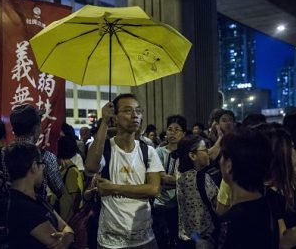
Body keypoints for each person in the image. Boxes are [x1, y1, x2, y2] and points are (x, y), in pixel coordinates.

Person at [85, 93, 164, 249]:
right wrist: (105, 122)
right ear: (115, 117)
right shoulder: (105, 148)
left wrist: (113, 188)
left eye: (138, 111)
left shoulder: (148, 151)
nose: (135, 115)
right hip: (110, 241)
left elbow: (154, 189)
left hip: (145, 238)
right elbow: (91, 167)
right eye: (128, 111)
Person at [5, 142, 75, 249]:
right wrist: (67, 237)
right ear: (34, 166)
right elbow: (57, 242)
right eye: (41, 164)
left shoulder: (37, 198)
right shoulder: (22, 207)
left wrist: (69, 236)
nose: (43, 169)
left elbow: (65, 227)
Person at [217, 127, 278, 249]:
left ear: (229, 165)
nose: (220, 161)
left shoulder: (232, 221)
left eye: (222, 156)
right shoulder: (270, 201)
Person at [9, 104, 65, 200]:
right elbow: (59, 189)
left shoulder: (0, 154)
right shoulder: (46, 157)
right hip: (35, 212)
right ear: (36, 129)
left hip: (5, 212)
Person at [175, 135, 218, 249]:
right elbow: (219, 206)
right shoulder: (202, 178)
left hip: (187, 239)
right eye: (204, 149)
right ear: (193, 156)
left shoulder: (182, 176)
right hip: (203, 241)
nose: (208, 152)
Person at [152, 115, 187, 249]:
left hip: (182, 205)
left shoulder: (188, 152)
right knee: (163, 241)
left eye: (177, 130)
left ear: (184, 133)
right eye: (169, 129)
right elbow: (161, 177)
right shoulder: (159, 151)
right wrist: (181, 180)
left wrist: (173, 180)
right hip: (162, 204)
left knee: (179, 241)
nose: (172, 133)